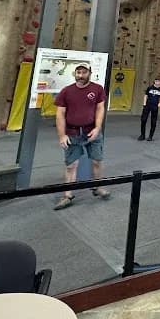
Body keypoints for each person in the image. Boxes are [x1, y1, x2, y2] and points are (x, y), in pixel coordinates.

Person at [53, 64, 111, 210]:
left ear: (89, 73)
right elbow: (60, 114)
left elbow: (100, 108)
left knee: (97, 161)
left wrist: (98, 128)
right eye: (78, 72)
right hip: (72, 134)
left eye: (84, 72)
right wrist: (62, 135)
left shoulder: (97, 89)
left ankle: (97, 187)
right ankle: (67, 195)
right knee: (71, 165)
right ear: (75, 74)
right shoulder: (66, 91)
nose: (81, 75)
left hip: (92, 132)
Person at [139, 77, 160, 141]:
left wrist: (158, 106)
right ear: (154, 81)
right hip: (147, 105)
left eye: (158, 81)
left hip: (155, 106)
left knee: (153, 121)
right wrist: (144, 104)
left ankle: (150, 136)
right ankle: (142, 135)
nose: (157, 82)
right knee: (143, 119)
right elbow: (146, 96)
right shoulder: (149, 88)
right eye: (156, 81)